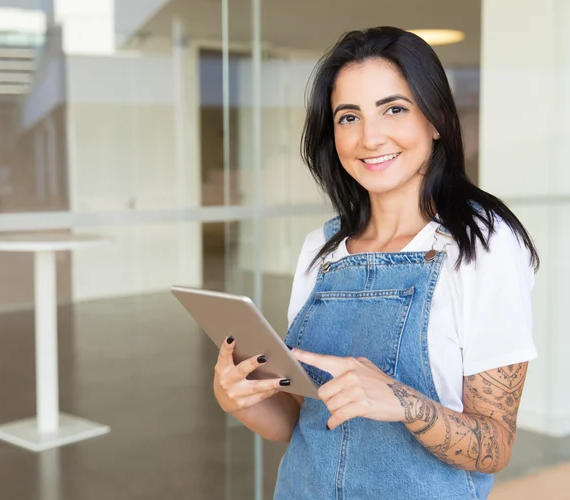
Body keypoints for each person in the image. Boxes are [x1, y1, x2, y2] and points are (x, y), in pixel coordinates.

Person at [212, 26, 539, 499]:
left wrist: (403, 403)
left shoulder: (480, 245)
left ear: (435, 119)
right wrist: (236, 398)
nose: (369, 137)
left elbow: (496, 444)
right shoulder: (320, 250)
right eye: (349, 117)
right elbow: (299, 423)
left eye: (394, 109)